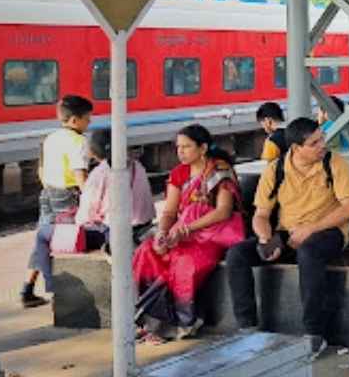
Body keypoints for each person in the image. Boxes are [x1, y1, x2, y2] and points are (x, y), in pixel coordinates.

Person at [227, 118, 349, 360]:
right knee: (237, 254)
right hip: (287, 233)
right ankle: (247, 328)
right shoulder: (275, 169)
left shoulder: (335, 163)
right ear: (296, 148)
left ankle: (314, 333)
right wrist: (267, 239)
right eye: (315, 142)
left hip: (329, 232)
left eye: (322, 139)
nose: (323, 145)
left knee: (308, 252)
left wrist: (311, 228)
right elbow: (261, 215)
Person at [133, 124, 243, 342]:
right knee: (147, 251)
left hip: (211, 235)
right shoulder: (179, 173)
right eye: (178, 147)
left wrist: (187, 230)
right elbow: (170, 211)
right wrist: (162, 232)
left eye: (186, 147)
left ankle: (178, 324)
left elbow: (223, 212)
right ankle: (148, 320)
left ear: (202, 148)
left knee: (183, 262)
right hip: (182, 233)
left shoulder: (219, 171)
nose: (180, 152)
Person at [25, 130, 155, 304]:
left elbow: (85, 217)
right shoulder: (137, 167)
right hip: (143, 227)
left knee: (43, 235)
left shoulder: (100, 173)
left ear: (93, 151)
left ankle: (53, 289)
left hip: (113, 234)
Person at [21, 94, 93, 308]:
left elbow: (41, 169)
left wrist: (49, 188)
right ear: (74, 120)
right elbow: (80, 176)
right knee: (69, 243)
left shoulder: (50, 138)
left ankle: (27, 289)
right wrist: (90, 200)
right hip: (68, 195)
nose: (89, 123)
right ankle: (63, 296)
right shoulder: (79, 141)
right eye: (87, 118)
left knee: (42, 240)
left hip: (48, 193)